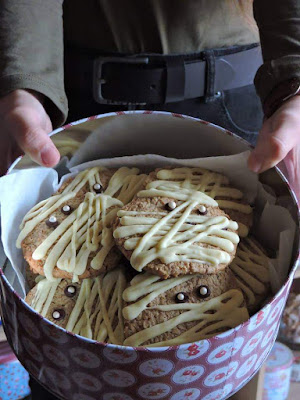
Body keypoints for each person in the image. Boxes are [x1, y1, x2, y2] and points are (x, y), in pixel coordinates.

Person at [0, 1, 299, 399]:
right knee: (65, 380)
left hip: (240, 98)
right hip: (69, 97)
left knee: (219, 377)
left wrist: (295, 81)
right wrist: (24, 82)